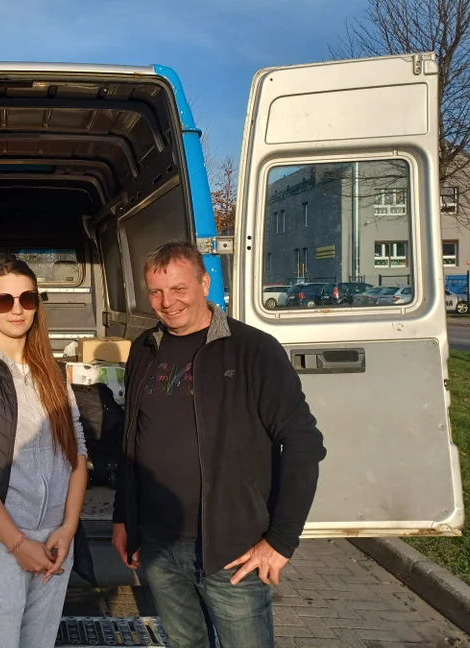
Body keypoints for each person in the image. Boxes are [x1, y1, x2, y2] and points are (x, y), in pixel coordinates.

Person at [112, 241, 327, 648]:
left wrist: (280, 542)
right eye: (156, 292)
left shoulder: (253, 350)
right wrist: (124, 516)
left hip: (231, 549)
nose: (167, 302)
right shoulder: (144, 348)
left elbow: (304, 444)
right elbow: (131, 439)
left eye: (179, 288)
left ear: (204, 283)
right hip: (158, 542)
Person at [0, 259, 93, 648]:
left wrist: (68, 528)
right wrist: (17, 544)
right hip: (1, 544)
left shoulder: (51, 370)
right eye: (4, 300)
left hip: (55, 541)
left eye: (27, 298)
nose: (17, 309)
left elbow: (76, 451)